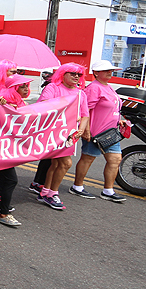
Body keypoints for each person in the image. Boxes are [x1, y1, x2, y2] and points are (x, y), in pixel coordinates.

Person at [70, 61, 129, 203]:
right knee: (88, 158)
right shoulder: (93, 88)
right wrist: (86, 130)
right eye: (106, 70)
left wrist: (119, 120)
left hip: (111, 133)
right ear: (96, 73)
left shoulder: (108, 87)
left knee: (115, 160)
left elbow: (113, 107)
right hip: (96, 132)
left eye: (111, 70)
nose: (110, 72)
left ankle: (108, 190)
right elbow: (86, 110)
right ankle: (77, 186)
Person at [0, 74, 33, 227]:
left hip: (11, 146)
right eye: (22, 86)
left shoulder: (20, 102)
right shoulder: (3, 101)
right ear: (13, 89)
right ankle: (4, 214)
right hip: (0, 147)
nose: (26, 89)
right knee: (11, 180)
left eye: (27, 86)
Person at [35, 63, 90, 210]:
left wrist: (81, 129)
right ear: (62, 74)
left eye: (79, 74)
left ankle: (46, 192)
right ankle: (52, 193)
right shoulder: (53, 88)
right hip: (53, 132)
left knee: (57, 164)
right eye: (72, 73)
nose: (76, 76)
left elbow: (85, 115)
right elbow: (44, 105)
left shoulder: (81, 93)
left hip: (70, 134)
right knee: (66, 163)